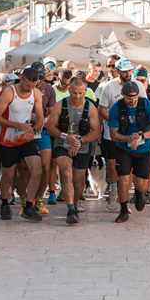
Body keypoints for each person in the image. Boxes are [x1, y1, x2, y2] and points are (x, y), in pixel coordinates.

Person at [0, 67, 45, 222]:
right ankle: (4, 202)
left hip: (26, 138)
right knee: (8, 174)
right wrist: (17, 125)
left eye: (33, 85)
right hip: (8, 138)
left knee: (37, 170)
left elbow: (40, 117)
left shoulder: (36, 93)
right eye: (27, 85)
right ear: (22, 78)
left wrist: (35, 128)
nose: (29, 88)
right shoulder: (9, 92)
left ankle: (28, 205)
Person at [47, 76, 100, 225]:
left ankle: (75, 204)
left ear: (85, 91)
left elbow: (96, 131)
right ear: (69, 90)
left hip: (82, 145)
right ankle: (70, 208)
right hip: (62, 144)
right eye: (74, 93)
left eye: (81, 93)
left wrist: (79, 141)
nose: (77, 96)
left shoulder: (90, 107)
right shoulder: (60, 105)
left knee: (78, 181)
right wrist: (66, 137)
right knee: (66, 172)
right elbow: (50, 127)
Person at [97, 57, 148, 211]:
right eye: (124, 72)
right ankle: (113, 196)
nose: (127, 74)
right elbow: (102, 109)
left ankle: (124, 198)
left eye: (129, 71)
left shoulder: (139, 85)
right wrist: (115, 121)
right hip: (112, 134)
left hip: (133, 134)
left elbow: (144, 108)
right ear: (118, 71)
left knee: (127, 169)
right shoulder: (109, 86)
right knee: (112, 166)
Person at [108, 81, 150, 223]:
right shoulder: (116, 108)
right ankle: (123, 210)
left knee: (141, 182)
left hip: (144, 147)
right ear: (123, 96)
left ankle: (139, 193)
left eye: (134, 98)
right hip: (123, 148)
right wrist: (129, 138)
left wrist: (141, 137)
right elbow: (113, 134)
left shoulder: (146, 104)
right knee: (123, 178)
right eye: (128, 98)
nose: (132, 101)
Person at [29, 61, 57, 211]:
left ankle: (39, 199)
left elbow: (52, 112)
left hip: (43, 130)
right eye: (35, 77)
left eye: (40, 77)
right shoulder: (24, 87)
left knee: (46, 166)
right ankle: (27, 199)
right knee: (27, 168)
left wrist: (42, 121)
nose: (38, 81)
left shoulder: (49, 89)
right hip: (26, 130)